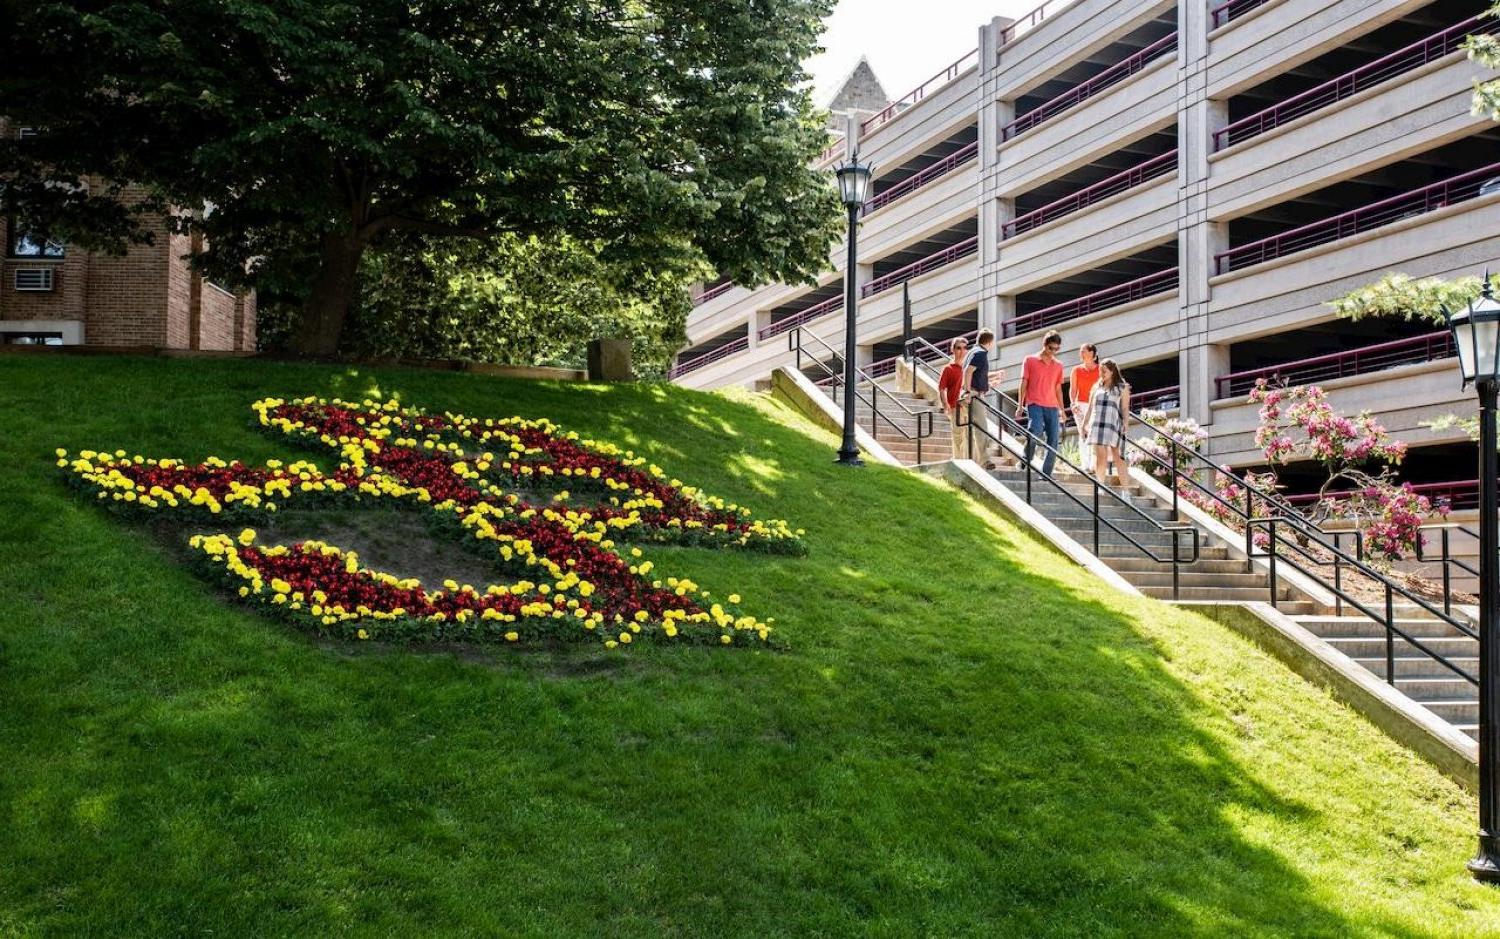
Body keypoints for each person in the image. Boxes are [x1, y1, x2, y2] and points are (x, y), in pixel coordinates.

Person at [1015, 330, 1065, 475]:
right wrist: (1020, 405)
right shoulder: (1030, 360)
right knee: (1034, 432)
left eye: (1057, 349)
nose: (1053, 352)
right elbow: (1023, 383)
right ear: (1044, 345)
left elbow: (1058, 388)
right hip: (1034, 404)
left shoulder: (1059, 365)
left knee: (1054, 439)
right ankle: (1025, 460)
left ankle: (1046, 473)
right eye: (1051, 348)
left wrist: (1062, 409)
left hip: (1052, 406)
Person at [1084, 358, 1131, 487]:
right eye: (1100, 371)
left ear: (1112, 372)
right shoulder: (1096, 387)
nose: (1101, 374)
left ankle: (1125, 491)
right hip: (1097, 424)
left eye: (1104, 371)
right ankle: (1100, 486)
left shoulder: (1122, 387)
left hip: (1113, 424)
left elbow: (1125, 408)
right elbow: (1089, 407)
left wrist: (1126, 423)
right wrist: (1084, 424)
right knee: (1101, 457)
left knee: (1119, 458)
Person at [962, 329, 1002, 467]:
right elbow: (968, 372)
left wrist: (990, 381)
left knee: (974, 428)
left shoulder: (972, 352)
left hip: (974, 393)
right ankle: (984, 460)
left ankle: (972, 459)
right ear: (990, 342)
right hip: (973, 395)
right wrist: (967, 392)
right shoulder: (980, 354)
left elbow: (977, 375)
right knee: (981, 428)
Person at [937, 337, 970, 460]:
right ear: (953, 350)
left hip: (969, 406)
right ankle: (958, 460)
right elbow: (941, 388)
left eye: (965, 348)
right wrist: (946, 405)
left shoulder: (968, 368)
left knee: (969, 435)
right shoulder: (948, 368)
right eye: (958, 348)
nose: (962, 351)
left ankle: (968, 460)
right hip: (955, 406)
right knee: (958, 435)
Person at [1069, 343, 1099, 429]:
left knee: (1095, 433)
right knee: (1084, 434)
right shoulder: (1076, 370)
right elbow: (1073, 390)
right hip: (1080, 406)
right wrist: (1073, 404)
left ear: (1091, 353)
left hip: (1096, 406)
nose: (1080, 354)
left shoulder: (1101, 369)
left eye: (1083, 351)